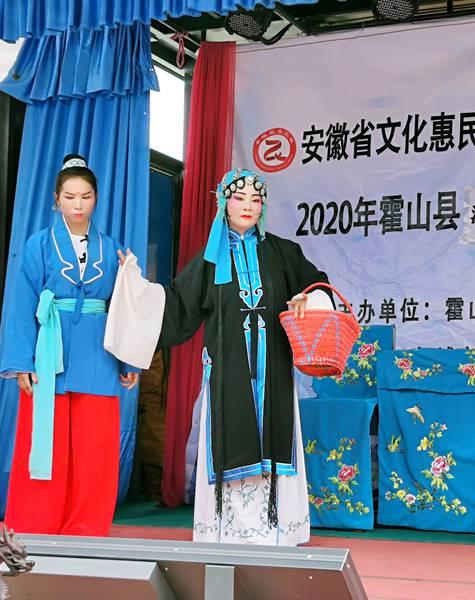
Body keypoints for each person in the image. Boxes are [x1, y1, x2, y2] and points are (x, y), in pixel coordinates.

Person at [110, 168, 330, 545]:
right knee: (232, 440)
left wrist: (306, 299)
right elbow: (176, 307)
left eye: (255, 200)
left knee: (274, 439)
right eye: (239, 198)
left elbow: (317, 285)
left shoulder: (283, 253)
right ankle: (233, 532)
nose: (247, 206)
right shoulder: (210, 260)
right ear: (224, 203)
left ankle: (278, 529)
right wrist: (134, 285)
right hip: (228, 370)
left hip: (274, 369)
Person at [0, 154, 139, 536]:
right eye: (70, 197)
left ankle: (86, 528)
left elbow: (125, 306)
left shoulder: (113, 249)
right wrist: (22, 362)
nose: (78, 205)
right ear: (56, 199)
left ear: (96, 199)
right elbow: (22, 305)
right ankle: (35, 526)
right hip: (49, 350)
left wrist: (129, 360)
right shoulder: (38, 245)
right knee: (45, 442)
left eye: (86, 196)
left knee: (95, 448)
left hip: (99, 354)